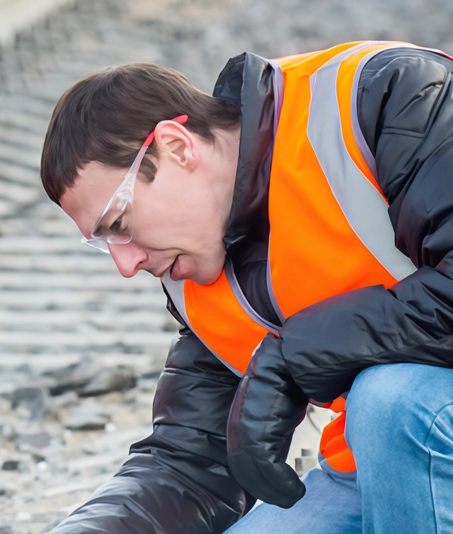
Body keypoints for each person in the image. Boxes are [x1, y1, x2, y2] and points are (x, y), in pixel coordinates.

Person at [39, 40, 453, 533]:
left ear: (176, 147)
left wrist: (296, 354)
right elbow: (189, 466)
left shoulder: (385, 96)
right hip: (373, 472)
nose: (126, 265)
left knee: (391, 400)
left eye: (120, 223)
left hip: (417, 428)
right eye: (103, 243)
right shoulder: (193, 272)